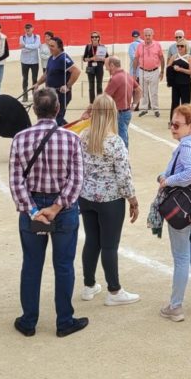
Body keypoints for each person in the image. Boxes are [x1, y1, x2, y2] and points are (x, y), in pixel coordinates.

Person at [8, 89, 88, 338]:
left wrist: (32, 210)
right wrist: (55, 207)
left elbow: (15, 181)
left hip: (33, 206)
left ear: (34, 109)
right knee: (63, 265)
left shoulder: (20, 138)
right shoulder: (71, 138)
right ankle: (64, 320)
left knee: (31, 264)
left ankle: (29, 320)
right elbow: (77, 179)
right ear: (57, 109)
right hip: (62, 210)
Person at [78, 95, 140, 307]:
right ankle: (114, 289)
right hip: (110, 199)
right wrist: (132, 199)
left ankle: (88, 285)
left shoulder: (83, 136)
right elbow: (124, 175)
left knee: (92, 240)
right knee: (109, 245)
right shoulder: (115, 142)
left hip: (86, 197)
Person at [157, 104, 191, 321]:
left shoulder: (185, 147)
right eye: (172, 123)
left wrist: (168, 180)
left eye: (177, 125)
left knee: (181, 257)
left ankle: (176, 306)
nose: (173, 128)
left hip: (183, 208)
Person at [35, 36, 81, 125]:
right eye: (49, 46)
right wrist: (37, 83)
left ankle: (69, 132)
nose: (50, 48)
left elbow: (76, 71)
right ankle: (69, 130)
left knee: (57, 118)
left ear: (59, 47)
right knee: (54, 117)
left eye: (52, 46)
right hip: (52, 95)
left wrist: (67, 86)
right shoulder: (51, 58)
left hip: (61, 94)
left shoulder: (63, 58)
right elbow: (46, 74)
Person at [102, 56, 141, 148]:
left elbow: (104, 98)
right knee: (122, 138)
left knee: (121, 140)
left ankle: (124, 160)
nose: (105, 68)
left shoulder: (115, 79)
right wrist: (134, 104)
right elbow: (139, 90)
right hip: (126, 112)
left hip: (118, 113)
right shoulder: (127, 75)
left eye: (106, 66)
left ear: (112, 65)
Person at [135, 28, 164, 118]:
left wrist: (162, 71)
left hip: (154, 70)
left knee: (154, 91)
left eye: (149, 35)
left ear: (152, 35)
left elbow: (162, 58)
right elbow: (136, 59)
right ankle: (144, 109)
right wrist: (133, 73)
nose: (147, 37)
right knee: (143, 91)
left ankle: (155, 109)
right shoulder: (140, 46)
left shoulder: (157, 45)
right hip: (142, 70)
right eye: (146, 35)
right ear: (144, 36)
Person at [167, 40, 191, 117]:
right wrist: (173, 68)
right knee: (175, 103)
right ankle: (173, 121)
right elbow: (168, 68)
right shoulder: (174, 56)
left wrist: (180, 69)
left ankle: (186, 120)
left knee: (185, 104)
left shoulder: (189, 58)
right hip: (175, 84)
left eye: (182, 46)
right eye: (178, 46)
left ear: (186, 47)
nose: (179, 48)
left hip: (185, 84)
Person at [83, 31, 108, 103]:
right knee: (91, 86)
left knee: (99, 86)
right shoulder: (88, 46)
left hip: (99, 67)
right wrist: (91, 59)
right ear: (91, 38)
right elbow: (84, 59)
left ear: (98, 38)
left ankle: (99, 102)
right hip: (90, 67)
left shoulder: (102, 47)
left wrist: (100, 59)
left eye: (96, 37)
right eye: (93, 37)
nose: (94, 38)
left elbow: (107, 58)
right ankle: (92, 102)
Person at [19, 24, 42, 100]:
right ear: (24, 29)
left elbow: (36, 46)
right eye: (26, 28)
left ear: (32, 29)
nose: (28, 29)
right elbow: (23, 50)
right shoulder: (22, 37)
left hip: (34, 61)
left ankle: (34, 94)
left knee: (34, 79)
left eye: (29, 28)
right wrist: (31, 47)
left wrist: (25, 45)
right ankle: (25, 95)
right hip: (24, 61)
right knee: (25, 78)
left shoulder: (37, 37)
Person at [127, 30, 143, 102]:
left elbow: (133, 57)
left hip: (135, 70)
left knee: (134, 87)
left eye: (136, 37)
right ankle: (146, 104)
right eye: (135, 37)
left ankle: (135, 103)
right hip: (143, 69)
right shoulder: (144, 43)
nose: (135, 38)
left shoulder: (132, 45)